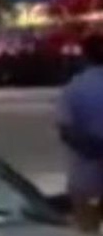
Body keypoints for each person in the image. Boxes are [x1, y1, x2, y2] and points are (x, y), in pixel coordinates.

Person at [58, 32, 103, 232]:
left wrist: (93, 151)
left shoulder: (74, 87)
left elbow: (66, 131)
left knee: (87, 229)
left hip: (85, 176)